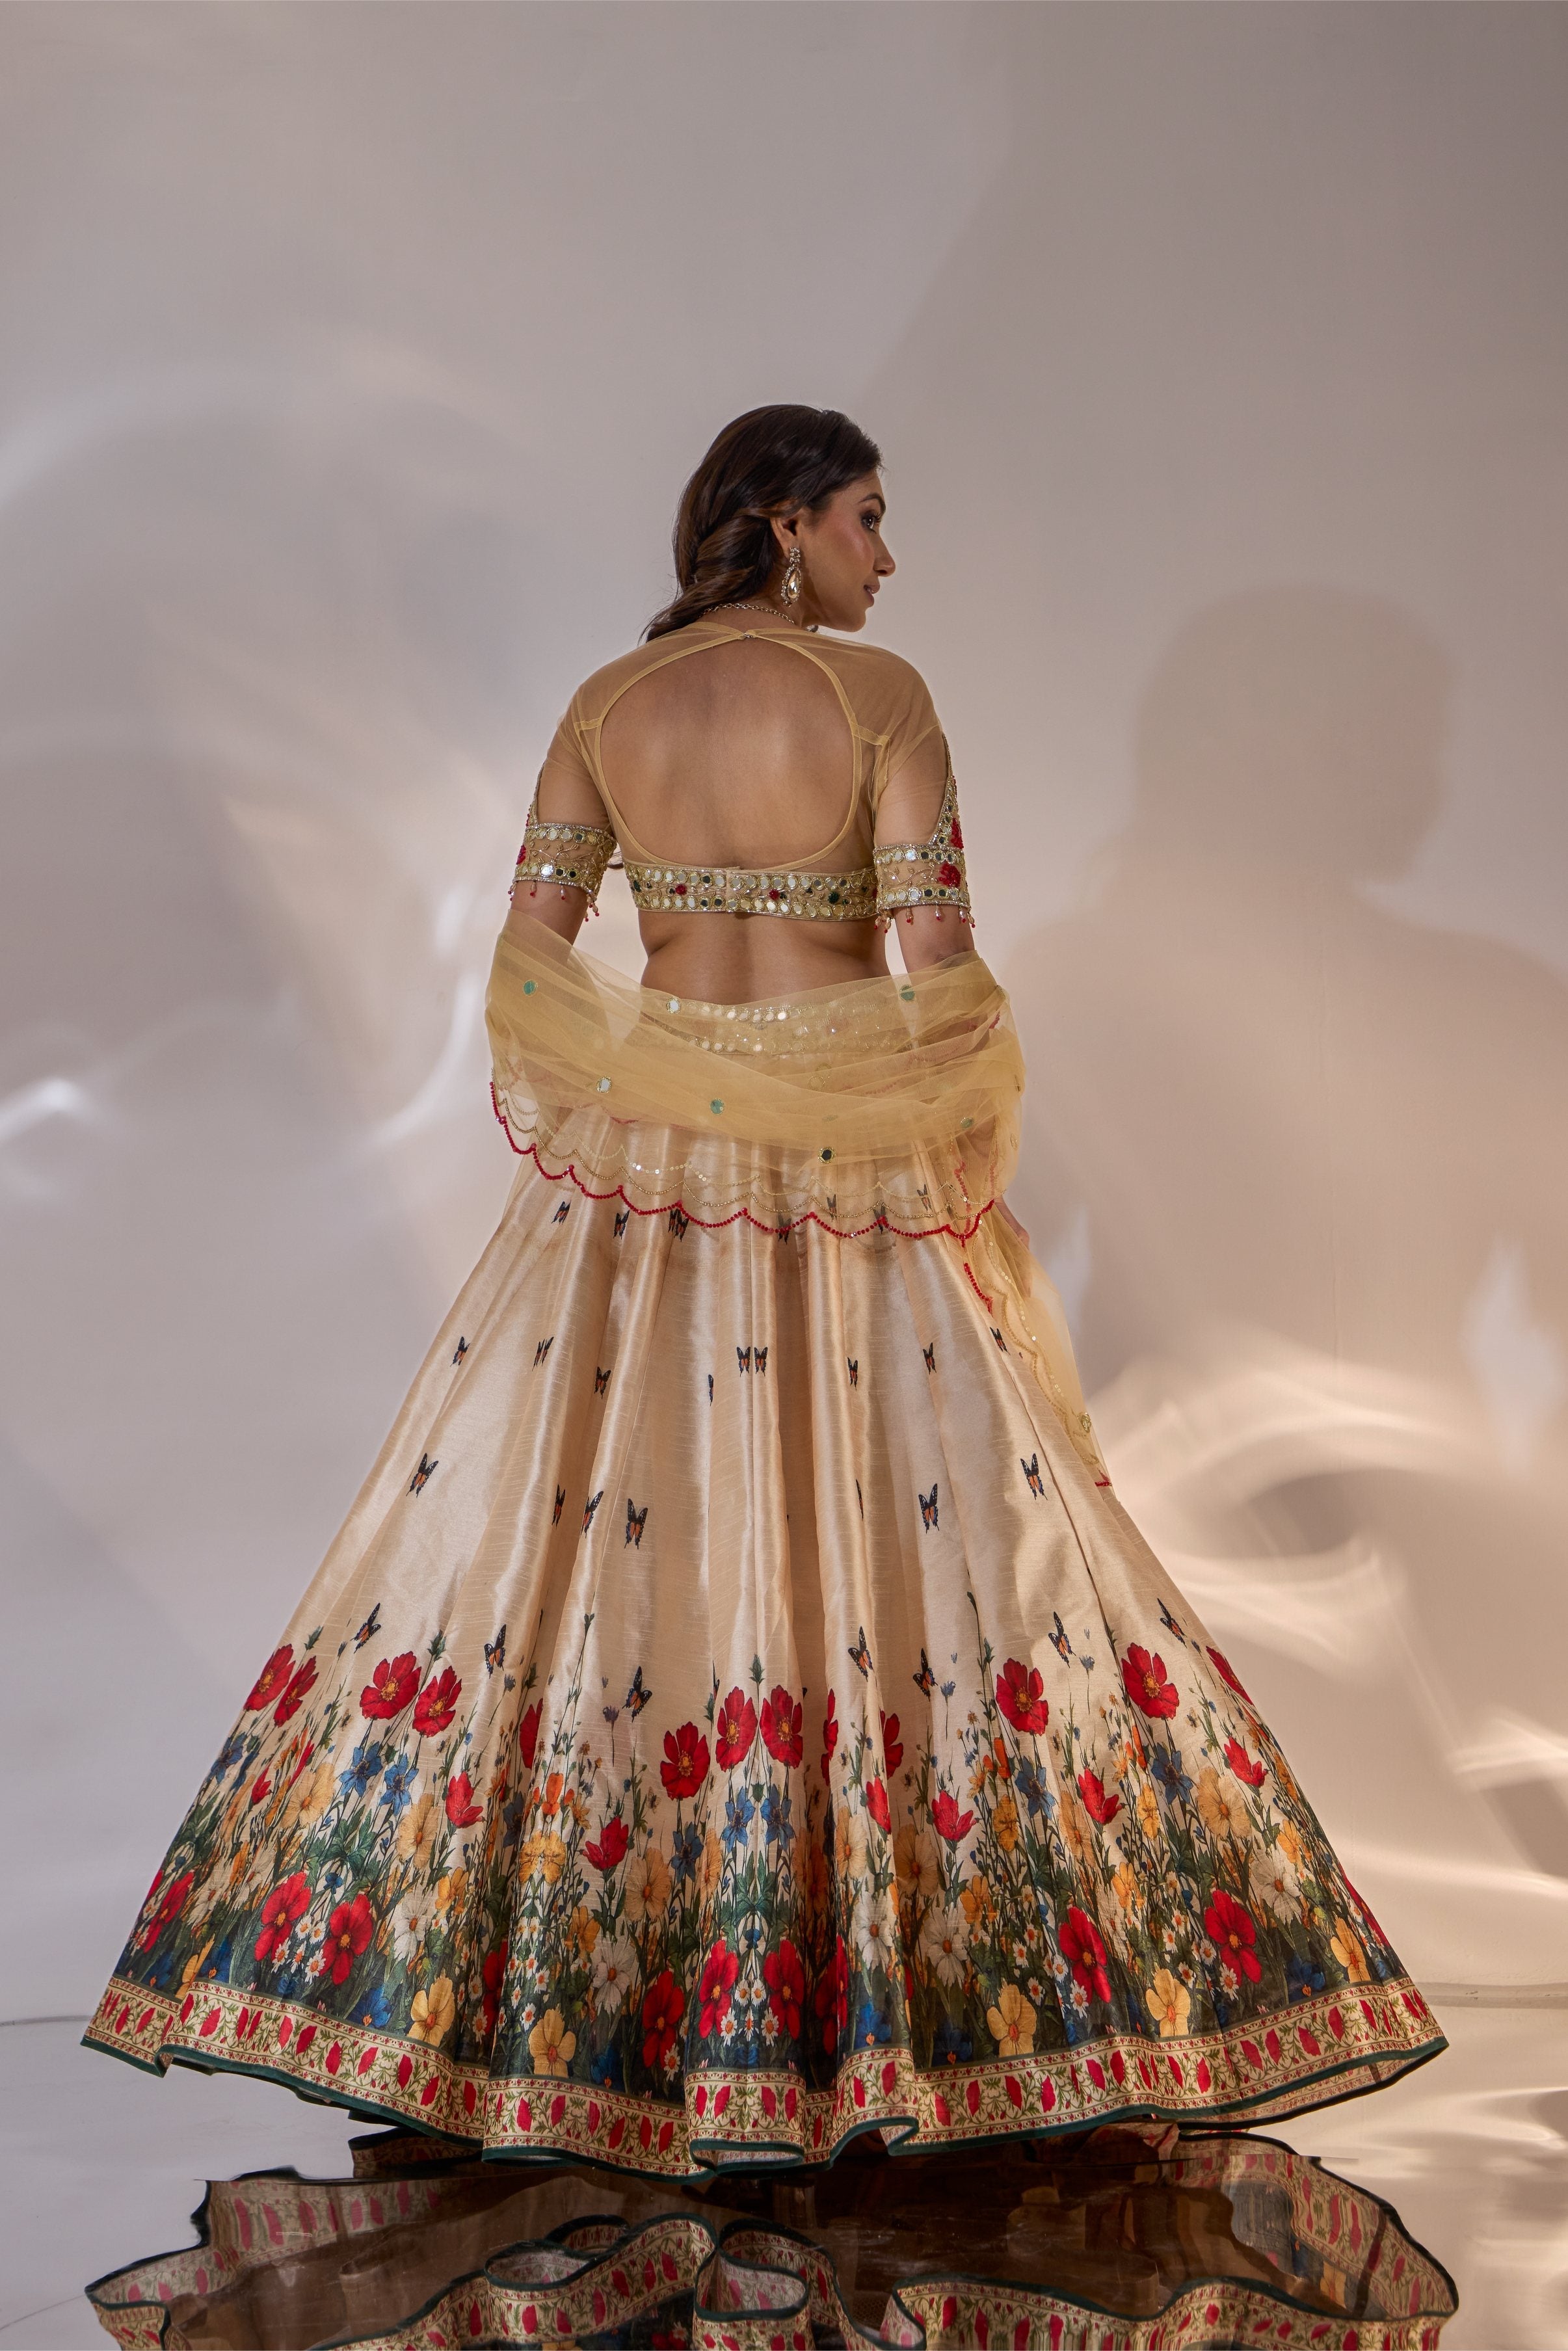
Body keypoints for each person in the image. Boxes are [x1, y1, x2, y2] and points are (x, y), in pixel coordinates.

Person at [85, 405, 1444, 2178]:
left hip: (644, 1184)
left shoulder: (608, 706)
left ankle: (548, 2021)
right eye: (868, 516)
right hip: (845, 1176)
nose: (888, 553)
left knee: (599, 1544)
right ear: (788, 523)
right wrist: (927, 1119)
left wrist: (657, 1075)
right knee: (890, 1544)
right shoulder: (879, 702)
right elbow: (934, 961)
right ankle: (897, 2008)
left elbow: (529, 962)